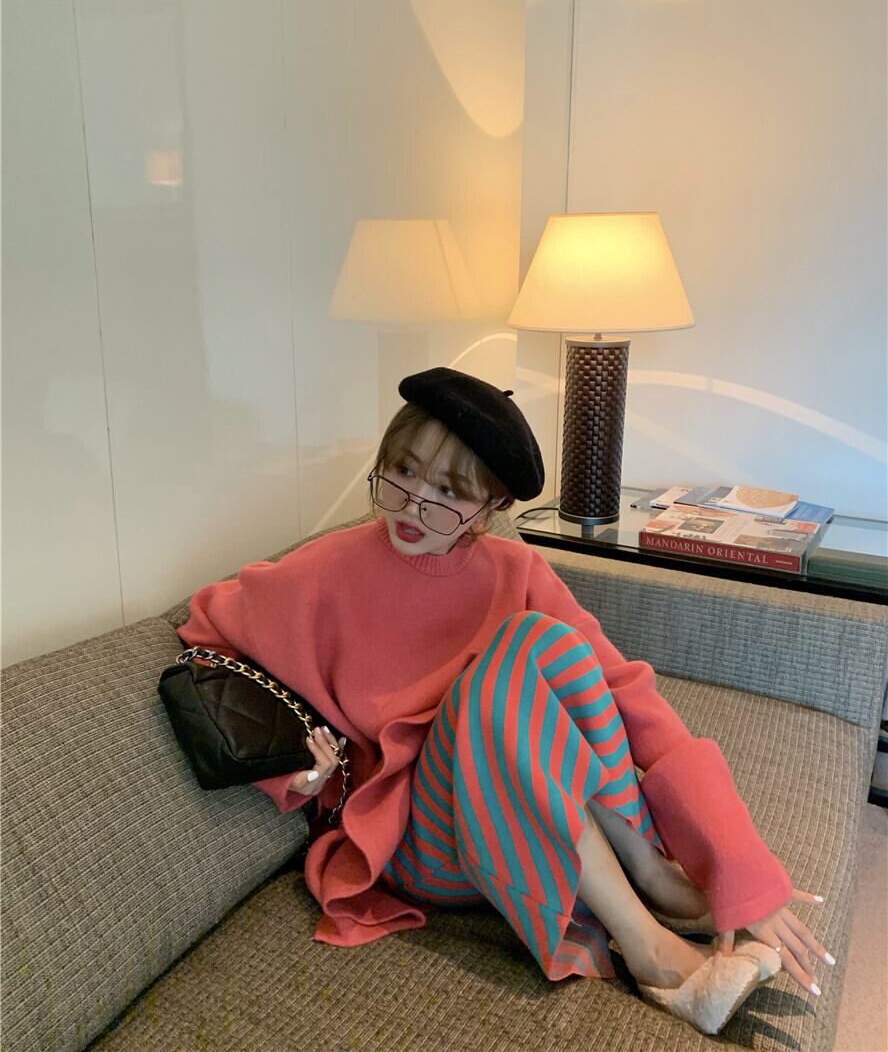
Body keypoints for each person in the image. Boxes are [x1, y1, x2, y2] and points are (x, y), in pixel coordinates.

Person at [177, 367, 833, 1034]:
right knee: (507, 665)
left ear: (491, 506)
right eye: (401, 471)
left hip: (518, 805)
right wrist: (296, 772)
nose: (413, 504)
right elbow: (205, 632)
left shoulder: (517, 569)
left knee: (545, 643)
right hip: (422, 840)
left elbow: (622, 690)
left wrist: (735, 859)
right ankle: (655, 954)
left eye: (448, 491)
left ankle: (651, 873)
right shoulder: (326, 568)